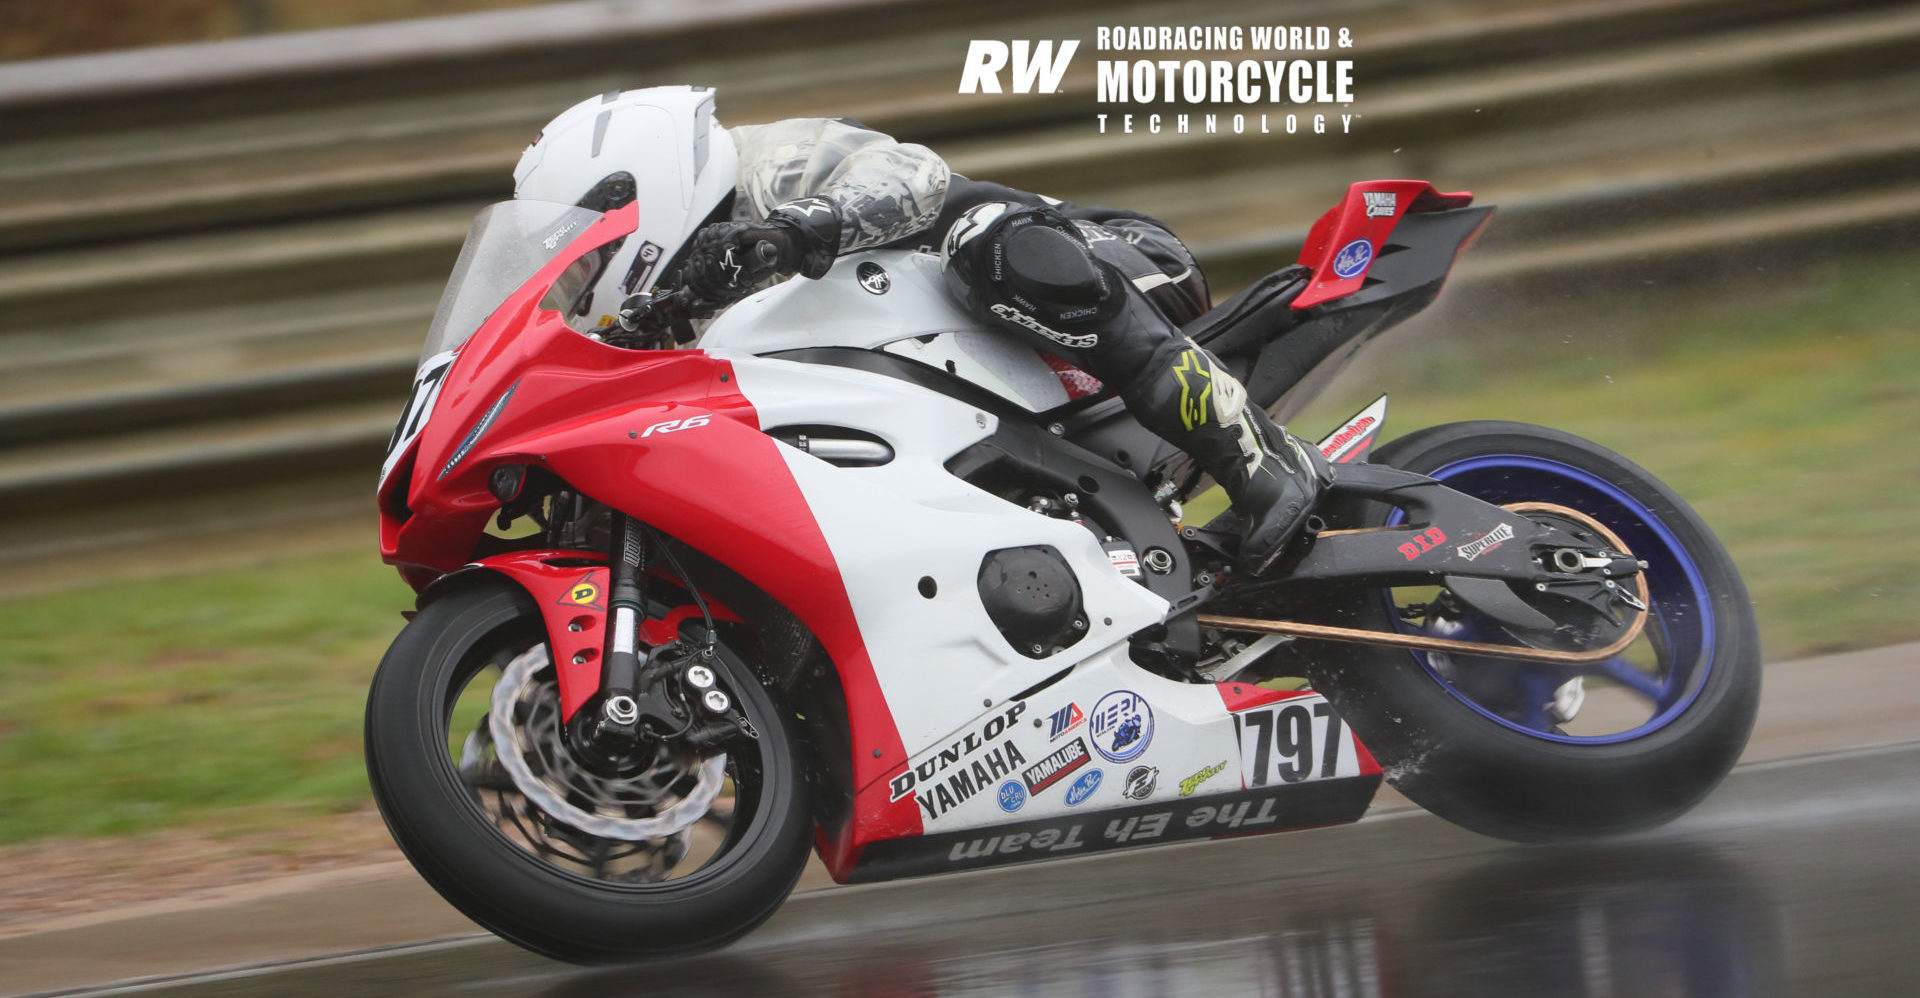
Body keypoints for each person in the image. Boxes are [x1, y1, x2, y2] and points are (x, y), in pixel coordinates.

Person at [516, 89, 1325, 573]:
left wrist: (799, 228)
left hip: (1112, 262)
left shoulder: (762, 168)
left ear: (638, 196)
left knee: (991, 245)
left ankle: (1260, 460)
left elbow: (915, 174)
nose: (586, 285)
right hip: (971, 402)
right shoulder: (671, 318)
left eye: (591, 258)